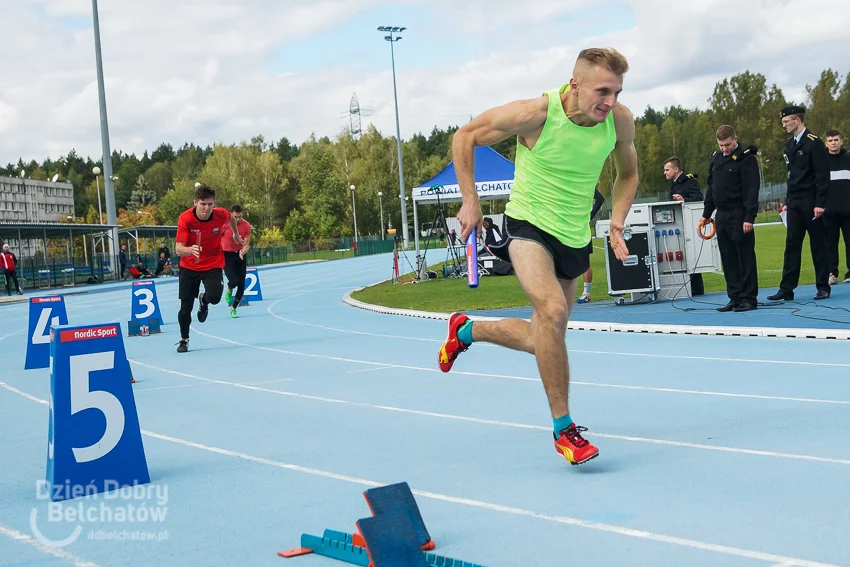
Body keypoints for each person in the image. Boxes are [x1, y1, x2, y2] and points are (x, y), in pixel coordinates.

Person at [437, 47, 639, 466]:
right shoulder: (537, 115)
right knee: (551, 312)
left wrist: (617, 221)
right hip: (528, 226)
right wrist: (470, 199)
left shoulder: (618, 121)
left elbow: (629, 173)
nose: (611, 101)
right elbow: (465, 136)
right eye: (603, 90)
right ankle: (564, 430)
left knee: (545, 336)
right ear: (575, 83)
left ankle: (467, 330)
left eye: (617, 91)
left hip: (573, 235)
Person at [768, 106, 832, 301]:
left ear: (797, 120)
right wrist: (787, 202)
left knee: (818, 244)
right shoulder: (790, 145)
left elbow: (822, 176)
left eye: (787, 122)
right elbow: (791, 176)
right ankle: (786, 288)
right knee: (792, 244)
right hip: (795, 202)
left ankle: (823, 286)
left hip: (811, 201)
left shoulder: (814, 143)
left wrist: (820, 203)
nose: (784, 126)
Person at [174, 183, 242, 353]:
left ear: (214, 204)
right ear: (195, 203)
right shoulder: (186, 219)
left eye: (210, 204)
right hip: (190, 265)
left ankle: (203, 300)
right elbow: (178, 249)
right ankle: (184, 339)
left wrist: (235, 233)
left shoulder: (221, 214)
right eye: (203, 204)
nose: (206, 208)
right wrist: (190, 249)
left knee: (215, 297)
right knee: (185, 308)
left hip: (212, 263)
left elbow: (231, 218)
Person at [700, 126, 760, 311]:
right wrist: (706, 214)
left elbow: (752, 190)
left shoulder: (746, 159)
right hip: (722, 215)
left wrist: (749, 217)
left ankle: (749, 298)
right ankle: (734, 297)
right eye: (721, 145)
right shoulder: (716, 158)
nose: (724, 148)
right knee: (728, 258)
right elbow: (712, 188)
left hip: (740, 214)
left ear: (736, 138)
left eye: (727, 144)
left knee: (745, 257)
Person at [663, 156, 706, 296]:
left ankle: (697, 288)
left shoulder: (689, 182)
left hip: (689, 223)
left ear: (676, 169)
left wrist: (684, 200)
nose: (665, 172)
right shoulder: (673, 183)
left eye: (667, 169)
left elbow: (699, 199)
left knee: (691, 254)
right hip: (678, 223)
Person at [824, 130, 850, 284]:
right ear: (826, 143)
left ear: (841, 142)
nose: (833, 143)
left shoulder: (848, 159)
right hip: (828, 211)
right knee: (830, 243)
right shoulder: (821, 161)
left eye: (836, 140)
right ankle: (831, 273)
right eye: (830, 140)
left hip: (848, 211)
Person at [220, 204, 252, 318]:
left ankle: (233, 308)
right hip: (227, 254)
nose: (238, 219)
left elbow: (247, 244)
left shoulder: (246, 226)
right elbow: (216, 237)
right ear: (231, 215)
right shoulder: (225, 224)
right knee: (233, 281)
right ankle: (229, 288)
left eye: (239, 217)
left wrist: (243, 252)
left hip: (240, 255)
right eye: (235, 217)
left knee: (241, 285)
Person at [576, 188, 605, 303]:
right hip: (566, 225)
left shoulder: (583, 182)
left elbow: (600, 199)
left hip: (581, 227)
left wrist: (589, 216)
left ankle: (586, 293)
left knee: (584, 261)